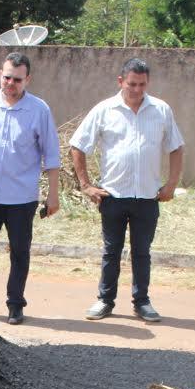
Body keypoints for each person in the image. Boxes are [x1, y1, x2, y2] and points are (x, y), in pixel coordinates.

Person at [71, 57, 184, 324]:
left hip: (147, 196)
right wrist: (86, 185)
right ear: (120, 81)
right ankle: (105, 300)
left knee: (142, 252)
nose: (136, 90)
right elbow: (78, 145)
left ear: (148, 83)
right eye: (132, 84)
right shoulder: (104, 110)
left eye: (142, 85)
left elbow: (176, 147)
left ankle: (142, 302)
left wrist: (171, 184)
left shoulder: (161, 110)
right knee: (111, 251)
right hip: (113, 196)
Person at [0, 52, 61, 325]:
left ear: (27, 79)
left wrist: (53, 193)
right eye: (6, 77)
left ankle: (15, 304)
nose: (10, 83)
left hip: (21, 197)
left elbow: (51, 154)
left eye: (17, 79)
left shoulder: (39, 110)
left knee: (19, 251)